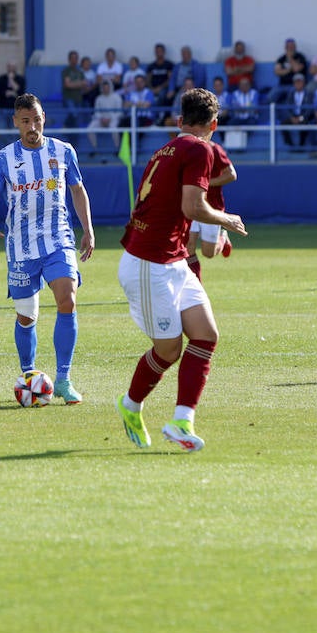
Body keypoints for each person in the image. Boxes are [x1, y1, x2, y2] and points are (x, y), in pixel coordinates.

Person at [115, 87, 247, 453]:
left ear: (179, 122)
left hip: (170, 260)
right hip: (148, 264)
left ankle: (181, 421)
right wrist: (226, 219)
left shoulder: (165, 148)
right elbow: (192, 207)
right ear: (214, 126)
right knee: (170, 349)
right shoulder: (202, 148)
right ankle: (130, 405)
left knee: (205, 335)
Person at [0, 93, 95, 404]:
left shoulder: (63, 151)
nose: (33, 126)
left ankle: (63, 379)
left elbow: (77, 189)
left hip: (58, 238)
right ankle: (29, 375)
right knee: (27, 316)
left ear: (44, 118)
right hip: (21, 246)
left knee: (67, 299)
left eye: (37, 119)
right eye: (26, 121)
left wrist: (88, 228)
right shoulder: (4, 158)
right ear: (15, 123)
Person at [185, 139, 236, 280]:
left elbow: (231, 175)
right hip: (192, 204)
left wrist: (205, 184)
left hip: (212, 207)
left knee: (208, 253)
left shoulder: (214, 149)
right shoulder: (185, 148)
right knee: (189, 247)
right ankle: (195, 287)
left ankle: (223, 238)